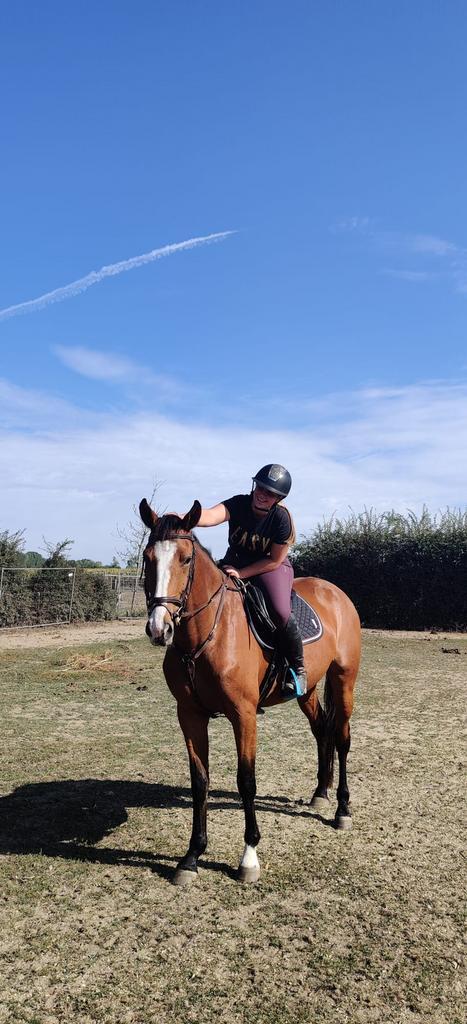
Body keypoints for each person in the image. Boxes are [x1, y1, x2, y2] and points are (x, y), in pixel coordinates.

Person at [195, 463, 307, 697]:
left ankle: (298, 669)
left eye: (270, 493)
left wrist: (242, 574)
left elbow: (275, 560)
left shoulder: (281, 518)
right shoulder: (238, 503)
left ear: (278, 498)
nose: (262, 495)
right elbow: (210, 516)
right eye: (260, 488)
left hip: (269, 567)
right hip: (235, 562)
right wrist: (185, 518)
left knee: (280, 610)